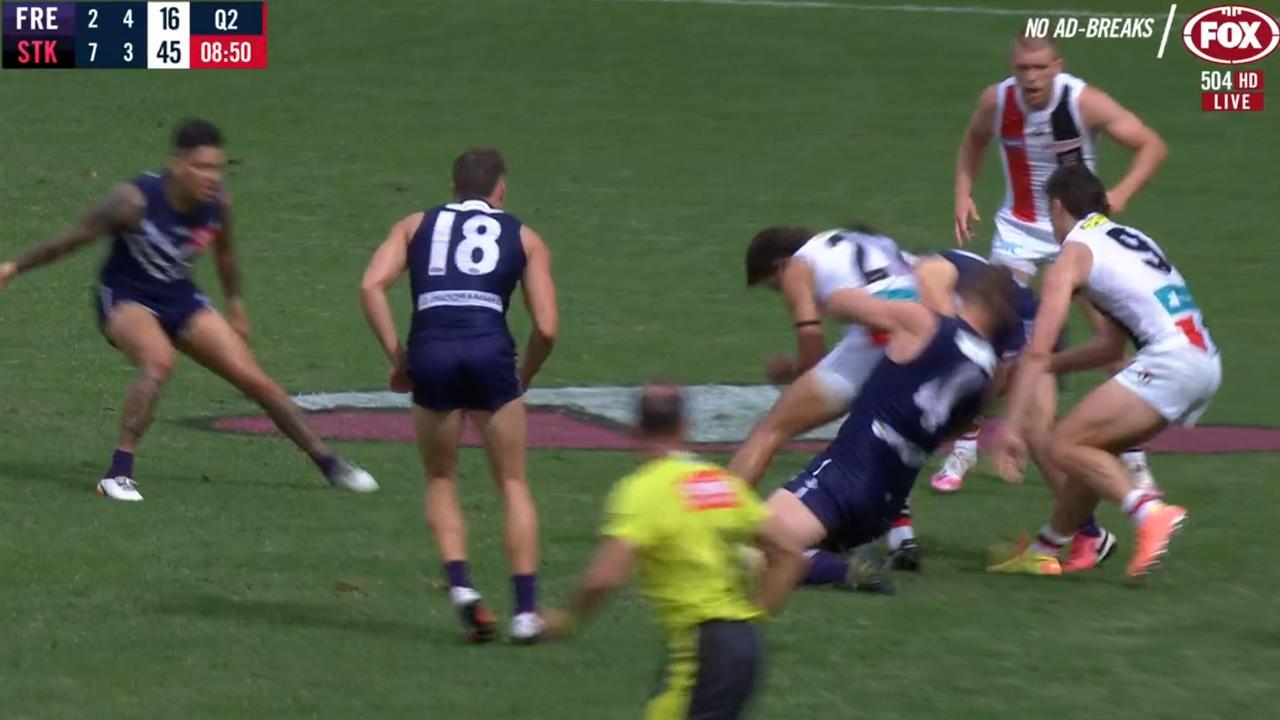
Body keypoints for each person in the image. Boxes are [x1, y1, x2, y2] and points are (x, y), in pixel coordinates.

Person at [0, 119, 377, 501]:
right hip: (127, 297)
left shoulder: (218, 202)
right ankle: (118, 474)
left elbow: (225, 253)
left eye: (218, 168)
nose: (212, 177)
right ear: (177, 164)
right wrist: (13, 268)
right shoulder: (132, 202)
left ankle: (330, 464)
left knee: (254, 379)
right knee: (159, 361)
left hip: (180, 297)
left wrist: (236, 305)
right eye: (202, 167)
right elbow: (71, 239)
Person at [944, 34, 1169, 491]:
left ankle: (1134, 452)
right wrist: (963, 193)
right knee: (986, 337)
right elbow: (973, 140)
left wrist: (1118, 197)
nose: (1030, 78)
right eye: (1022, 69)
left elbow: (1151, 145)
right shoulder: (997, 100)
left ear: (1056, 67)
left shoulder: (1084, 102)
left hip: (1081, 233)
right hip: (1017, 231)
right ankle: (964, 446)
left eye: (1039, 68)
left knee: (1109, 345)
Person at [359, 148, 558, 643]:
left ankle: (464, 591)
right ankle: (526, 613)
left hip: (431, 350)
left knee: (442, 478)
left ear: (452, 191)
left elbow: (370, 285)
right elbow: (548, 328)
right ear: (502, 191)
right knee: (512, 482)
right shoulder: (526, 237)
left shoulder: (413, 226)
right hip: (492, 352)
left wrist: (397, 358)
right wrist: (523, 378)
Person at [990, 165, 1219, 577]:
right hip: (1203, 361)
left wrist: (1010, 426)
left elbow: (1039, 350)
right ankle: (1044, 550)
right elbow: (1109, 347)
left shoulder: (1072, 256)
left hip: (1169, 361)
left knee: (1063, 445)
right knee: (1093, 450)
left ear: (1057, 207)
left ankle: (1149, 513)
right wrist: (1046, 364)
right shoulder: (1127, 240)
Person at [755, 263, 1020, 607]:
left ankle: (841, 570)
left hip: (845, 475)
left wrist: (892, 285)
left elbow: (839, 302)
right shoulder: (989, 373)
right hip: (887, 502)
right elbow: (954, 427)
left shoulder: (921, 322)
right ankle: (832, 561)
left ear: (970, 296)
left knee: (748, 547)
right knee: (775, 548)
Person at [544, 383, 801, 720]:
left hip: (701, 649)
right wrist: (757, 615)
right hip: (745, 648)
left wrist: (568, 619)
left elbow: (604, 577)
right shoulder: (719, 482)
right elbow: (789, 552)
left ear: (635, 431)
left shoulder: (641, 491)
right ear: (684, 428)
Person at [731, 226, 922, 567]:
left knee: (772, 428)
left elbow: (812, 348)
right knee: (884, 434)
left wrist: (791, 373)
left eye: (773, 285)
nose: (780, 291)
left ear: (779, 265)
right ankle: (901, 537)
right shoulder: (862, 240)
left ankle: (714, 524)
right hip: (927, 333)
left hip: (879, 336)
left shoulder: (796, 266)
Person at [914, 249, 1117, 570]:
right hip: (1016, 322)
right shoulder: (926, 270)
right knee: (1039, 435)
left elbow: (985, 363)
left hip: (1022, 327)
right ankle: (1089, 533)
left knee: (1036, 432)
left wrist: (977, 417)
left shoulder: (920, 282)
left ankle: (1096, 529)